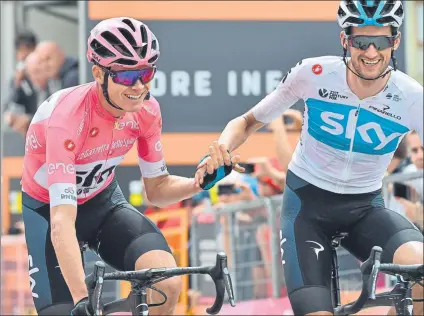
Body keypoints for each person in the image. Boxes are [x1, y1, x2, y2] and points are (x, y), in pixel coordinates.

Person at [195, 1, 423, 315]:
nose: (371, 52)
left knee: (422, 271)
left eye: (381, 41)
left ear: (395, 42)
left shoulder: (412, 97)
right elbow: (247, 122)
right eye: (360, 42)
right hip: (307, 208)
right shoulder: (313, 74)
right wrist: (220, 148)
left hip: (364, 208)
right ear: (345, 41)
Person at [21, 17, 228, 316]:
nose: (140, 87)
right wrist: (81, 300)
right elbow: (62, 219)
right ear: (98, 73)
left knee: (165, 284)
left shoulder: (147, 111)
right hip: (49, 210)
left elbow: (156, 191)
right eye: (128, 77)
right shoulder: (67, 119)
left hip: (102, 203)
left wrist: (199, 183)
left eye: (146, 73)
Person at [3, 51, 50, 136]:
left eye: (37, 71)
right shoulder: (29, 89)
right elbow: (12, 108)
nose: (35, 77)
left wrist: (29, 119)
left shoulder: (54, 86)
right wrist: (18, 83)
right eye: (31, 74)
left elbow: (51, 117)